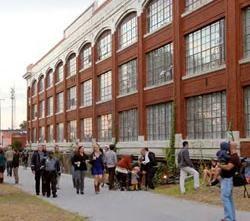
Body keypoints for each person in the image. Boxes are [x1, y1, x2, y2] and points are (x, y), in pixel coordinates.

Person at [218, 142, 240, 221]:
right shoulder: (232, 156)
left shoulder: (234, 157)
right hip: (227, 180)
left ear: (231, 147)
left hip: (227, 180)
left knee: (225, 198)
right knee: (229, 199)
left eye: (228, 146)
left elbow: (228, 167)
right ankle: (231, 218)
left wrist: (219, 165)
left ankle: (229, 218)